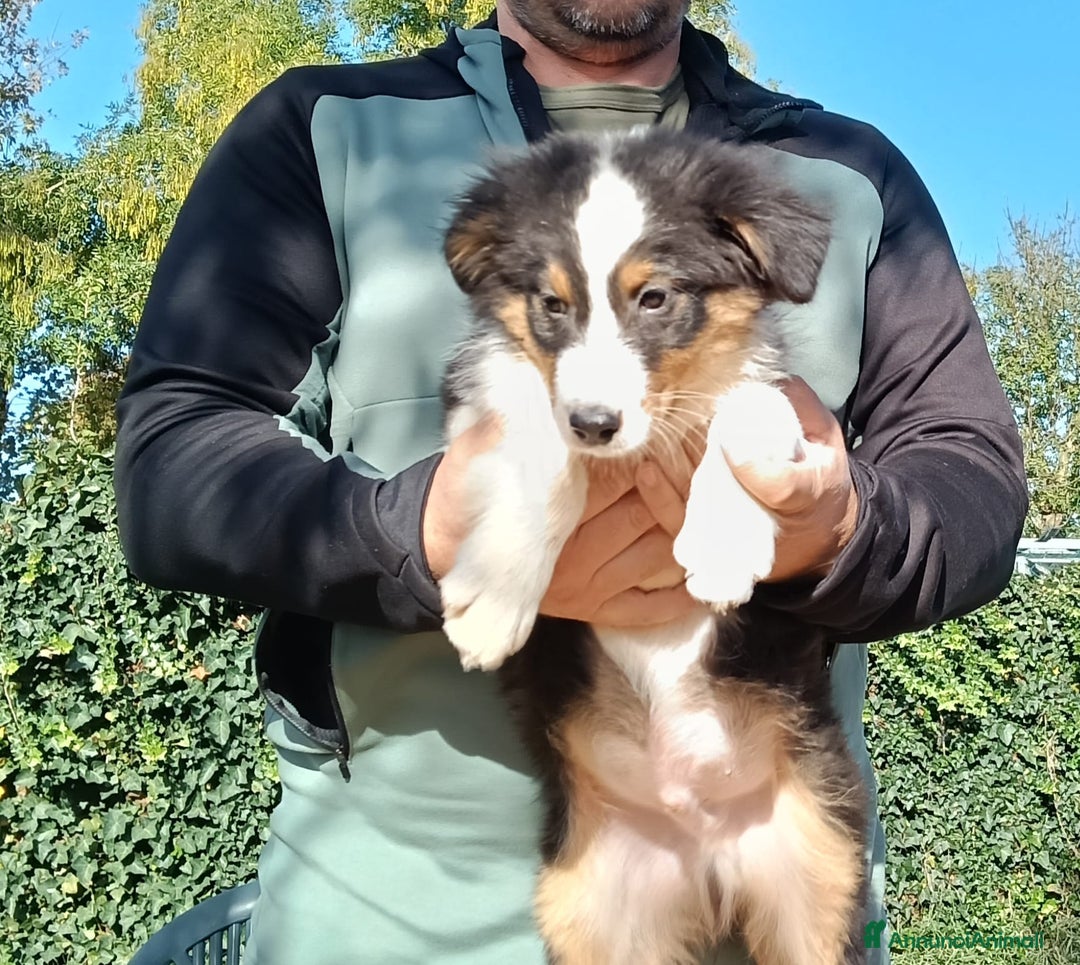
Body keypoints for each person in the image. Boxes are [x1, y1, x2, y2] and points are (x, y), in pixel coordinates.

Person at [113, 0, 1027, 961]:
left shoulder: (846, 174)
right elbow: (174, 457)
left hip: (778, 866)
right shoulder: (329, 128)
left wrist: (842, 532)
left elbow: (971, 478)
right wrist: (419, 534)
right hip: (390, 921)